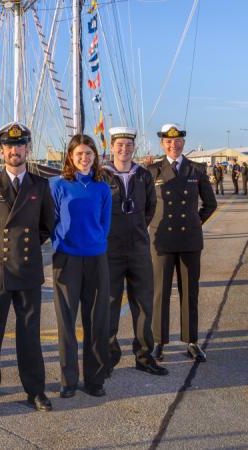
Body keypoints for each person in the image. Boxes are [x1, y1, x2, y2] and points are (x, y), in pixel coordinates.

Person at [0, 121, 55, 416]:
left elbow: (46, 226)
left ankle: (36, 391)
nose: (15, 151)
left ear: (27, 150)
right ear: (2, 151)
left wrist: (27, 249)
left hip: (29, 270)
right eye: (9, 146)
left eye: (20, 146)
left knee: (30, 336)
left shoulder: (40, 186)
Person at [148, 123, 217, 363]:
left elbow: (211, 203)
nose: (173, 145)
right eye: (168, 141)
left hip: (189, 239)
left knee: (190, 292)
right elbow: (145, 206)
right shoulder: (152, 171)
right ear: (162, 144)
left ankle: (191, 341)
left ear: (183, 144)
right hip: (162, 240)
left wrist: (195, 222)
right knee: (160, 293)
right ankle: (158, 342)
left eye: (177, 142)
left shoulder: (196, 170)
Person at [102, 127, 167, 377]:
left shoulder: (143, 175)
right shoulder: (102, 175)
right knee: (109, 304)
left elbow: (150, 207)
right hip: (111, 250)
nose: (124, 149)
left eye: (129, 145)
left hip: (139, 249)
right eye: (120, 145)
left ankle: (144, 355)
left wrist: (137, 228)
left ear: (134, 148)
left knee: (143, 304)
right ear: (112, 146)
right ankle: (109, 355)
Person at [50, 134, 112, 398]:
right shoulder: (58, 185)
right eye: (79, 154)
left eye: (89, 153)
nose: (85, 158)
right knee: (66, 321)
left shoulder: (102, 187)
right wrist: (63, 243)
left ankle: (95, 378)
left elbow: (105, 223)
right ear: (70, 157)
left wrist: (94, 242)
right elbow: (50, 219)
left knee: (96, 319)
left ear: (95, 157)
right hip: (67, 259)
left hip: (96, 258)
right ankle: (68, 379)